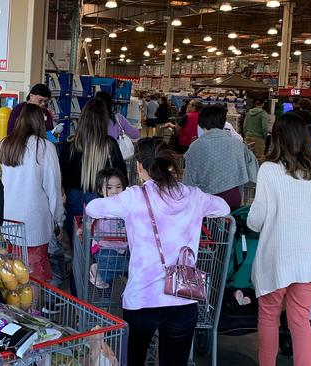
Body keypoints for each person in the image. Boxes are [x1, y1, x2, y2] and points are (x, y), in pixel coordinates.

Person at [85, 139, 230, 365]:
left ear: (140, 168)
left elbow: (93, 208)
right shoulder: (194, 196)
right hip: (183, 297)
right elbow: (224, 208)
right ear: (170, 166)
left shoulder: (133, 197)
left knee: (134, 359)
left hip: (142, 298)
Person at [247, 112, 311, 366]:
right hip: (310, 260)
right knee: (299, 321)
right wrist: (310, 228)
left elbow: (256, 219)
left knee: (268, 317)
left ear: (276, 138)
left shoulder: (269, 170)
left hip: (276, 258)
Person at [0, 104, 64, 283]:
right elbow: (53, 189)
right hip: (34, 222)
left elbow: (5, 182)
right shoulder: (45, 147)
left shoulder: (6, 144)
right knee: (34, 273)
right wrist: (59, 219)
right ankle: (33, 310)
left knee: (12, 272)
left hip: (8, 220)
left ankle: (13, 309)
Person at [59, 98, 127, 237]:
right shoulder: (110, 145)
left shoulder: (69, 144)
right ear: (103, 120)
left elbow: (62, 174)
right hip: (100, 200)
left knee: (77, 243)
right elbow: (121, 174)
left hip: (73, 196)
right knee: (98, 241)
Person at [183, 106, 258, 209]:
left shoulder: (195, 147)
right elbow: (252, 166)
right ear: (223, 122)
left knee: (208, 225)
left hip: (205, 200)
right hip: (232, 197)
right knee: (229, 223)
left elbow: (189, 180)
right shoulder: (238, 144)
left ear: (201, 123)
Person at [89, 167, 128, 289]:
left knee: (133, 262)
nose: (115, 191)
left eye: (119, 187)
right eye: (109, 188)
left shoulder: (126, 205)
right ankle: (99, 271)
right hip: (104, 246)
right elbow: (88, 218)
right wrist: (82, 229)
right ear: (101, 190)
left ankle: (107, 270)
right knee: (112, 265)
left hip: (123, 246)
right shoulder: (99, 205)